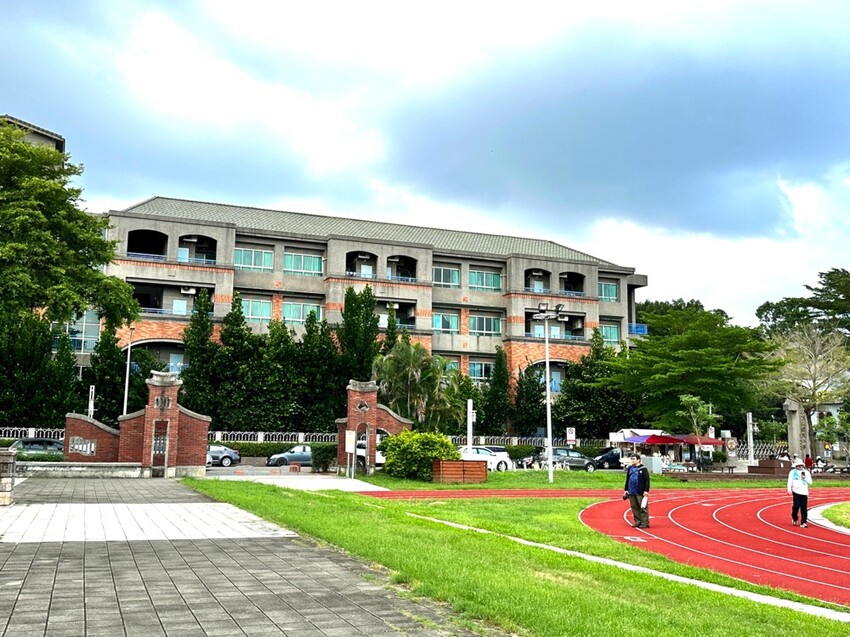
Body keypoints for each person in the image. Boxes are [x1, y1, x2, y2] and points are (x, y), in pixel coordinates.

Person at [623, 453, 651, 529]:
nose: (632, 460)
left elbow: (647, 480)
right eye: (631, 459)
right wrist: (626, 489)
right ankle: (637, 521)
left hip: (640, 491)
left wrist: (646, 490)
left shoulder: (643, 469)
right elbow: (628, 479)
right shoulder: (630, 468)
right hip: (631, 491)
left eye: (633, 459)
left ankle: (645, 522)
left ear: (638, 460)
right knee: (634, 507)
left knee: (642, 507)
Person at [787, 458, 813, 528]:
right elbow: (790, 481)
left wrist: (804, 478)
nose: (800, 467)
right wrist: (789, 489)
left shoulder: (806, 472)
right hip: (796, 491)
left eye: (801, 465)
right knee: (796, 506)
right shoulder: (792, 472)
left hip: (804, 492)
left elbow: (810, 482)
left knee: (804, 507)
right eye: (798, 465)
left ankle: (803, 522)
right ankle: (794, 517)